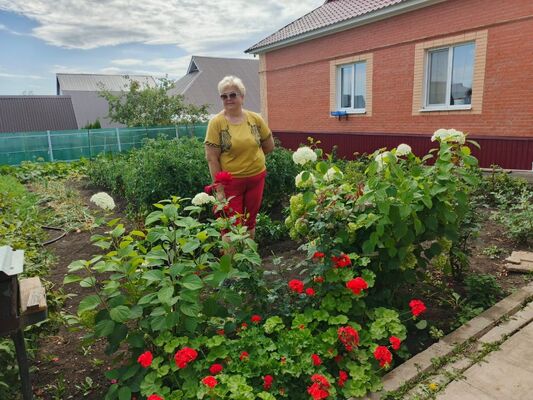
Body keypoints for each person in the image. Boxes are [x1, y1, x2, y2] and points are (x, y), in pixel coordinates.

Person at [204, 75, 275, 239]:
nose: (228, 99)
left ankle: (248, 254)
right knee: (231, 226)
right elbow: (212, 158)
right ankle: (232, 256)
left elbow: (269, 145)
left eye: (233, 95)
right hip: (231, 183)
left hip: (256, 179)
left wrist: (251, 158)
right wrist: (219, 190)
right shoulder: (216, 123)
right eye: (224, 96)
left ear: (242, 97)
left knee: (250, 222)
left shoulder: (255, 119)